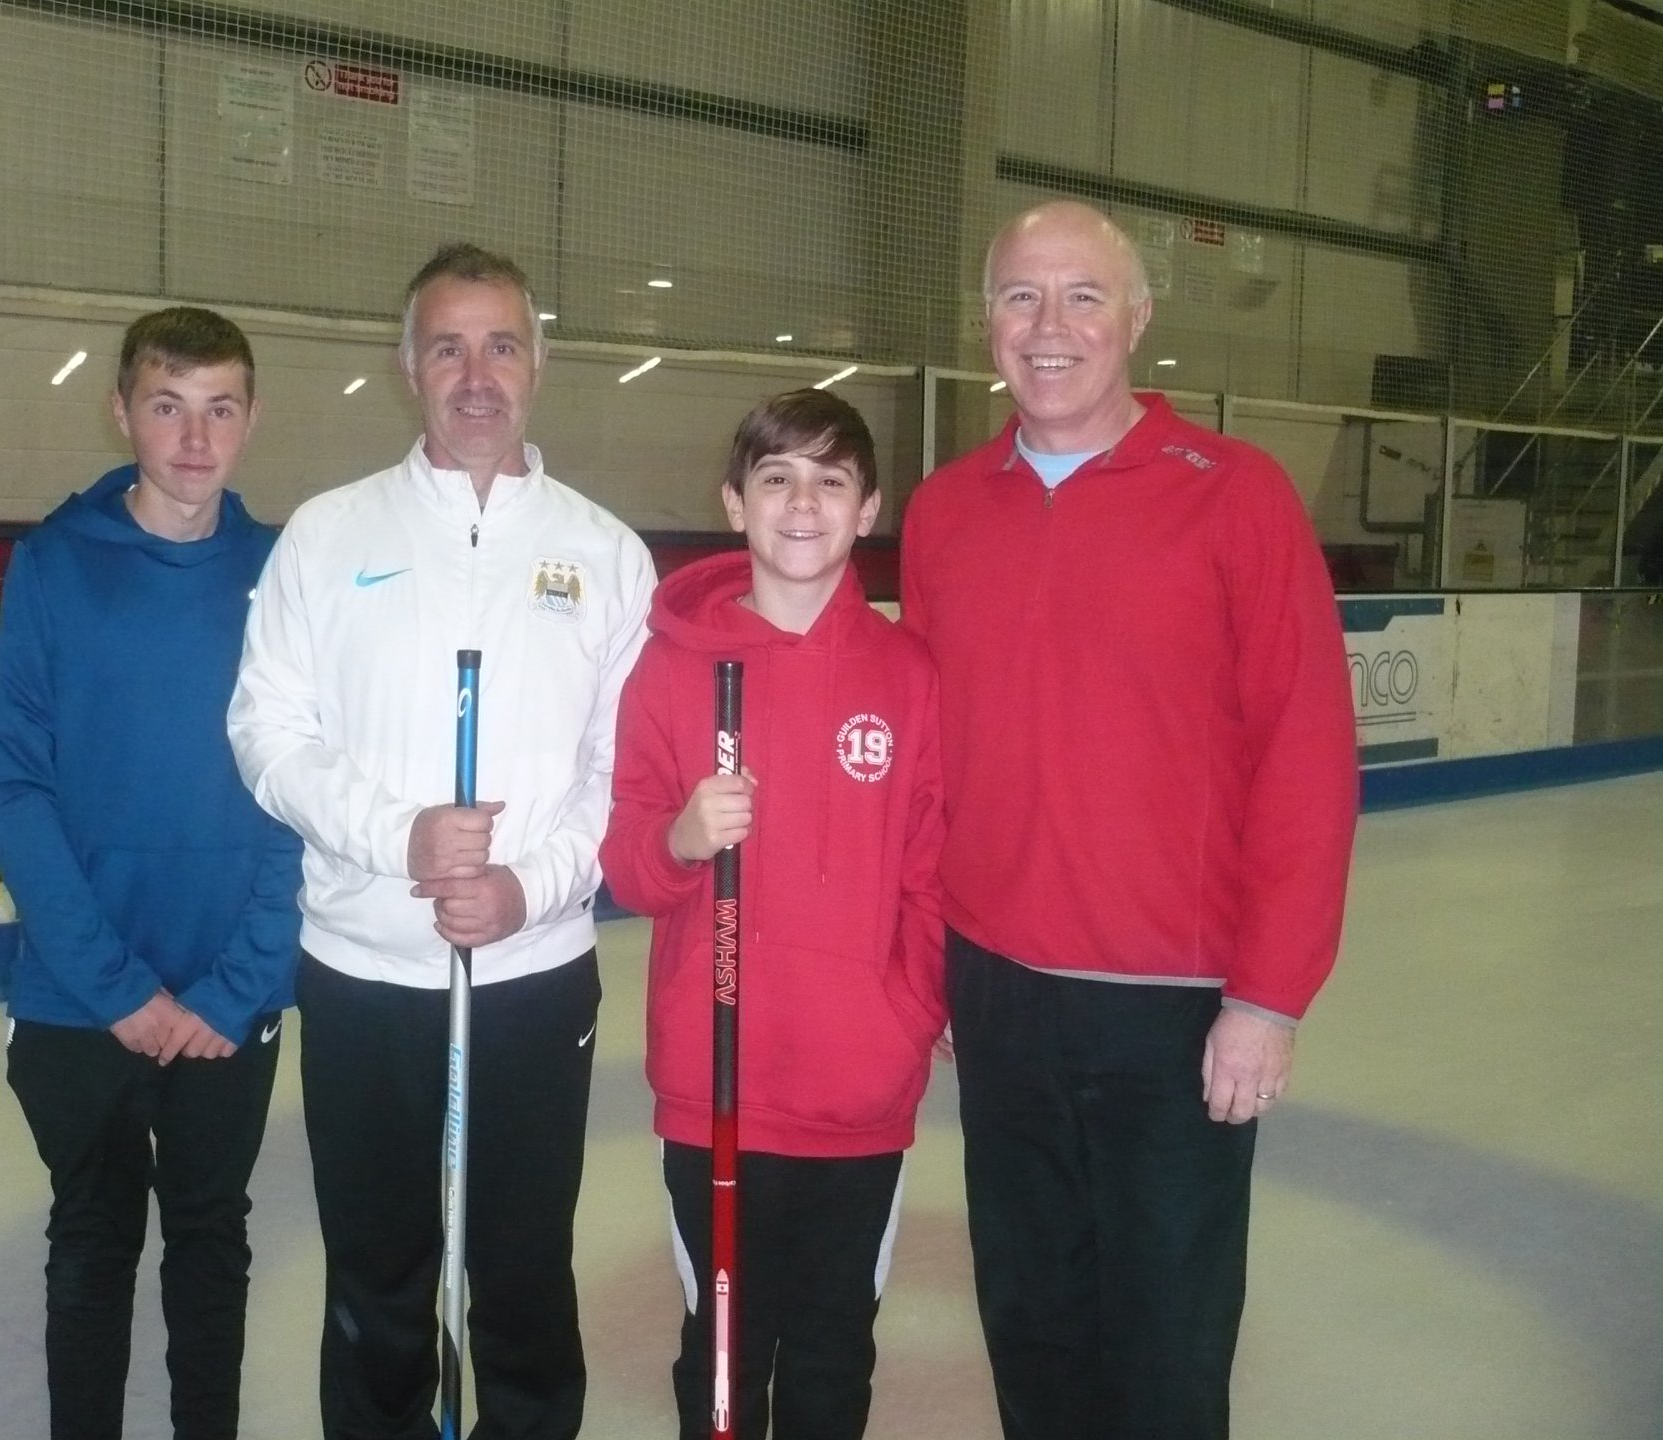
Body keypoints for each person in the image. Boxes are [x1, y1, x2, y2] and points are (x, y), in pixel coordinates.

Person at [899, 201, 1359, 1440]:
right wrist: (929, 960)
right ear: (987, 321)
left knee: (1166, 1343)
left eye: (1083, 297)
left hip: (1173, 1006)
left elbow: (1307, 759)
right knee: (1033, 1320)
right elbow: (929, 768)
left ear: (1139, 319)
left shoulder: (1238, 499)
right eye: (1020, 297)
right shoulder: (944, 513)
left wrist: (1267, 997)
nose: (1050, 329)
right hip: (997, 992)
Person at [227, 242, 655, 1440]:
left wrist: (526, 887)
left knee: (521, 1273)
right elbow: (265, 729)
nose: (478, 374)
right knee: (378, 1275)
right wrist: (397, 837)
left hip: (531, 977)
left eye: (502, 345)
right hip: (366, 975)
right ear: (408, 365)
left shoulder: (607, 555)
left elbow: (622, 776)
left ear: (540, 363)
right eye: (449, 347)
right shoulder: (325, 535)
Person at [0, 306, 303, 1440]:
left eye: (220, 409)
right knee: (94, 1240)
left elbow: (299, 794)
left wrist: (239, 982)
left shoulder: (282, 574)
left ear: (250, 420)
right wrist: (113, 984)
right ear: (123, 411)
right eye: (168, 406)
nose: (195, 438)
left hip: (229, 993)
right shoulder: (55, 566)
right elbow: (13, 792)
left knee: (212, 1236)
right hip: (80, 995)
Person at [601, 389, 948, 1440]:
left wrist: (901, 1025)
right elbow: (626, 868)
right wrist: (681, 839)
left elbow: (933, 879)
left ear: (869, 509)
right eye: (777, 478)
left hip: (859, 1097)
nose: (803, 503)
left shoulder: (907, 676)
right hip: (718, 1094)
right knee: (723, 1349)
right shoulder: (670, 670)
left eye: (831, 480)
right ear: (735, 502)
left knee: (836, 1347)